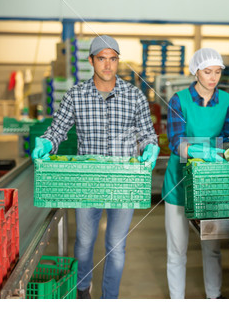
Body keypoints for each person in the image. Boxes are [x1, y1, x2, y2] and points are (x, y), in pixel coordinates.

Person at [31, 35, 160, 299]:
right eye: (102, 58)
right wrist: (45, 143)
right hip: (86, 181)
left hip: (124, 182)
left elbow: (148, 134)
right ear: (91, 60)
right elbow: (57, 131)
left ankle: (109, 299)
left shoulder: (134, 95)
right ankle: (82, 290)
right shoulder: (76, 95)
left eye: (113, 59)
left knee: (116, 246)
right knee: (84, 242)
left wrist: (150, 146)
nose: (108, 65)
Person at [161, 48, 229, 299]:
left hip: (209, 181)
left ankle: (214, 298)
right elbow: (174, 141)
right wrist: (196, 150)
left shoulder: (227, 101)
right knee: (177, 249)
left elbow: (228, 139)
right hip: (180, 181)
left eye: (217, 72)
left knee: (212, 247)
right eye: (207, 72)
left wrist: (219, 153)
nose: (213, 77)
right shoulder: (178, 100)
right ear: (195, 71)